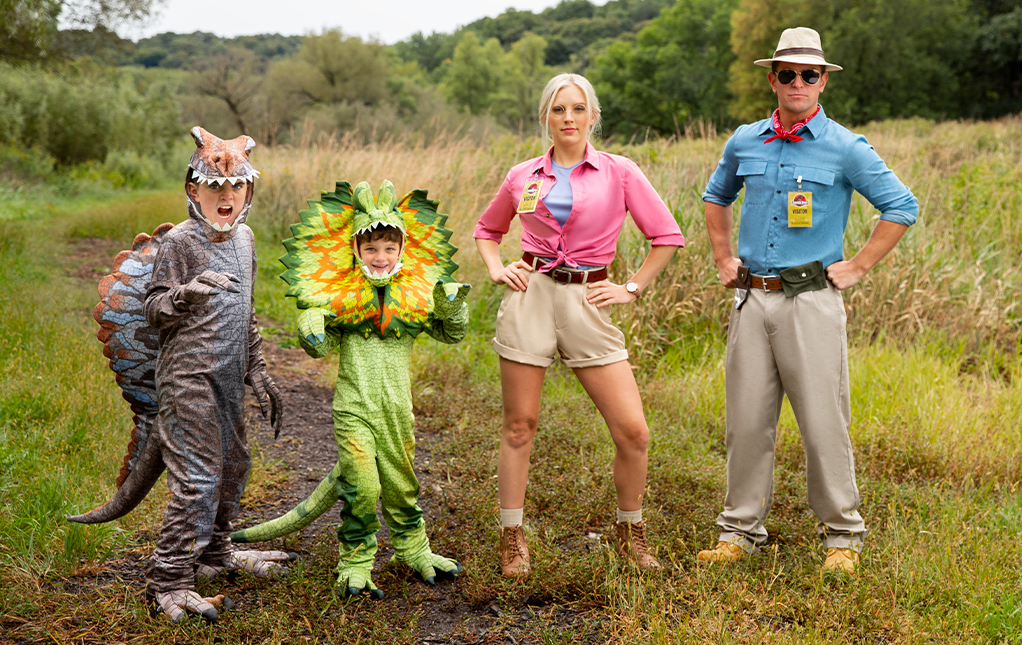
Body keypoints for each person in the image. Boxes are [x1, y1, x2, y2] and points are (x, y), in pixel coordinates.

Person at [698, 27, 918, 573]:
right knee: (746, 423)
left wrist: (859, 265)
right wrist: (723, 257)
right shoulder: (745, 140)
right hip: (752, 300)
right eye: (788, 73)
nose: (799, 82)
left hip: (811, 301)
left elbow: (901, 205)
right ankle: (740, 530)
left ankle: (842, 536)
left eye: (810, 74)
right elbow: (715, 196)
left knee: (823, 422)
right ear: (772, 79)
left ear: (823, 82)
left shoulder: (845, 147)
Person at [474, 73, 685, 577]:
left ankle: (630, 532)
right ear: (545, 116)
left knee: (633, 431)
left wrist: (631, 287)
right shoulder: (523, 174)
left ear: (592, 116)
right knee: (519, 426)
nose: (568, 119)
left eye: (577, 109)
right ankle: (512, 536)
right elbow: (488, 229)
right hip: (531, 297)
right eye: (558, 110)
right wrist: (496, 266)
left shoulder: (620, 171)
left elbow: (667, 236)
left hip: (590, 300)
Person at [230, 180, 470, 599]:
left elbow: (451, 334)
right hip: (354, 410)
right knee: (365, 486)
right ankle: (356, 560)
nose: (380, 258)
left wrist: (453, 307)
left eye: (389, 249)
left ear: (403, 250)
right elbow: (321, 349)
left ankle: (413, 548)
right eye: (371, 249)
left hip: (397, 414)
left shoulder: (413, 300)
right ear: (355, 251)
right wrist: (311, 328)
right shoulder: (342, 299)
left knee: (400, 484)